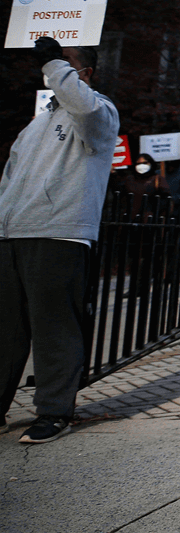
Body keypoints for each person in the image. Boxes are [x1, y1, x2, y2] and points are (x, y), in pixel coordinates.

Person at [1, 38, 120, 444]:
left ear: (86, 74)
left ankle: (53, 411)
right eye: (52, 64)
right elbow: (11, 175)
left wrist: (56, 62)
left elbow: (82, 105)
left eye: (67, 64)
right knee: (7, 328)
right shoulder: (37, 123)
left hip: (59, 233)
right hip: (14, 233)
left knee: (54, 327)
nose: (54, 69)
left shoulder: (98, 111)